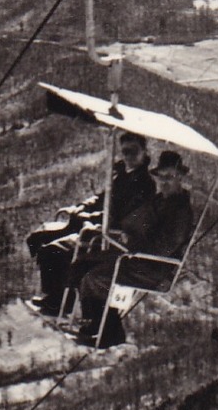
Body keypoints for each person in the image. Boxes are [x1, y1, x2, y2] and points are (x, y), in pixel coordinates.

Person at [26, 131, 166, 316]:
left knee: (55, 250)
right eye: (125, 152)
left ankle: (59, 302)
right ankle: (55, 296)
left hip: (109, 235)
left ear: (144, 152)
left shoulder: (144, 184)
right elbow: (102, 198)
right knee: (38, 241)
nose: (128, 156)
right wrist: (83, 207)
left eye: (133, 151)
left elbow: (124, 216)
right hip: (94, 226)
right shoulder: (122, 176)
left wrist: (92, 218)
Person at [70, 142, 197, 347]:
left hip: (152, 266)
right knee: (81, 265)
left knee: (96, 278)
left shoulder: (180, 211)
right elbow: (135, 221)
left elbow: (164, 246)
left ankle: (106, 333)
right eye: (161, 176)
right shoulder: (159, 201)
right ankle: (94, 325)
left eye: (169, 177)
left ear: (180, 178)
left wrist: (134, 245)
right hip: (136, 256)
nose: (164, 182)